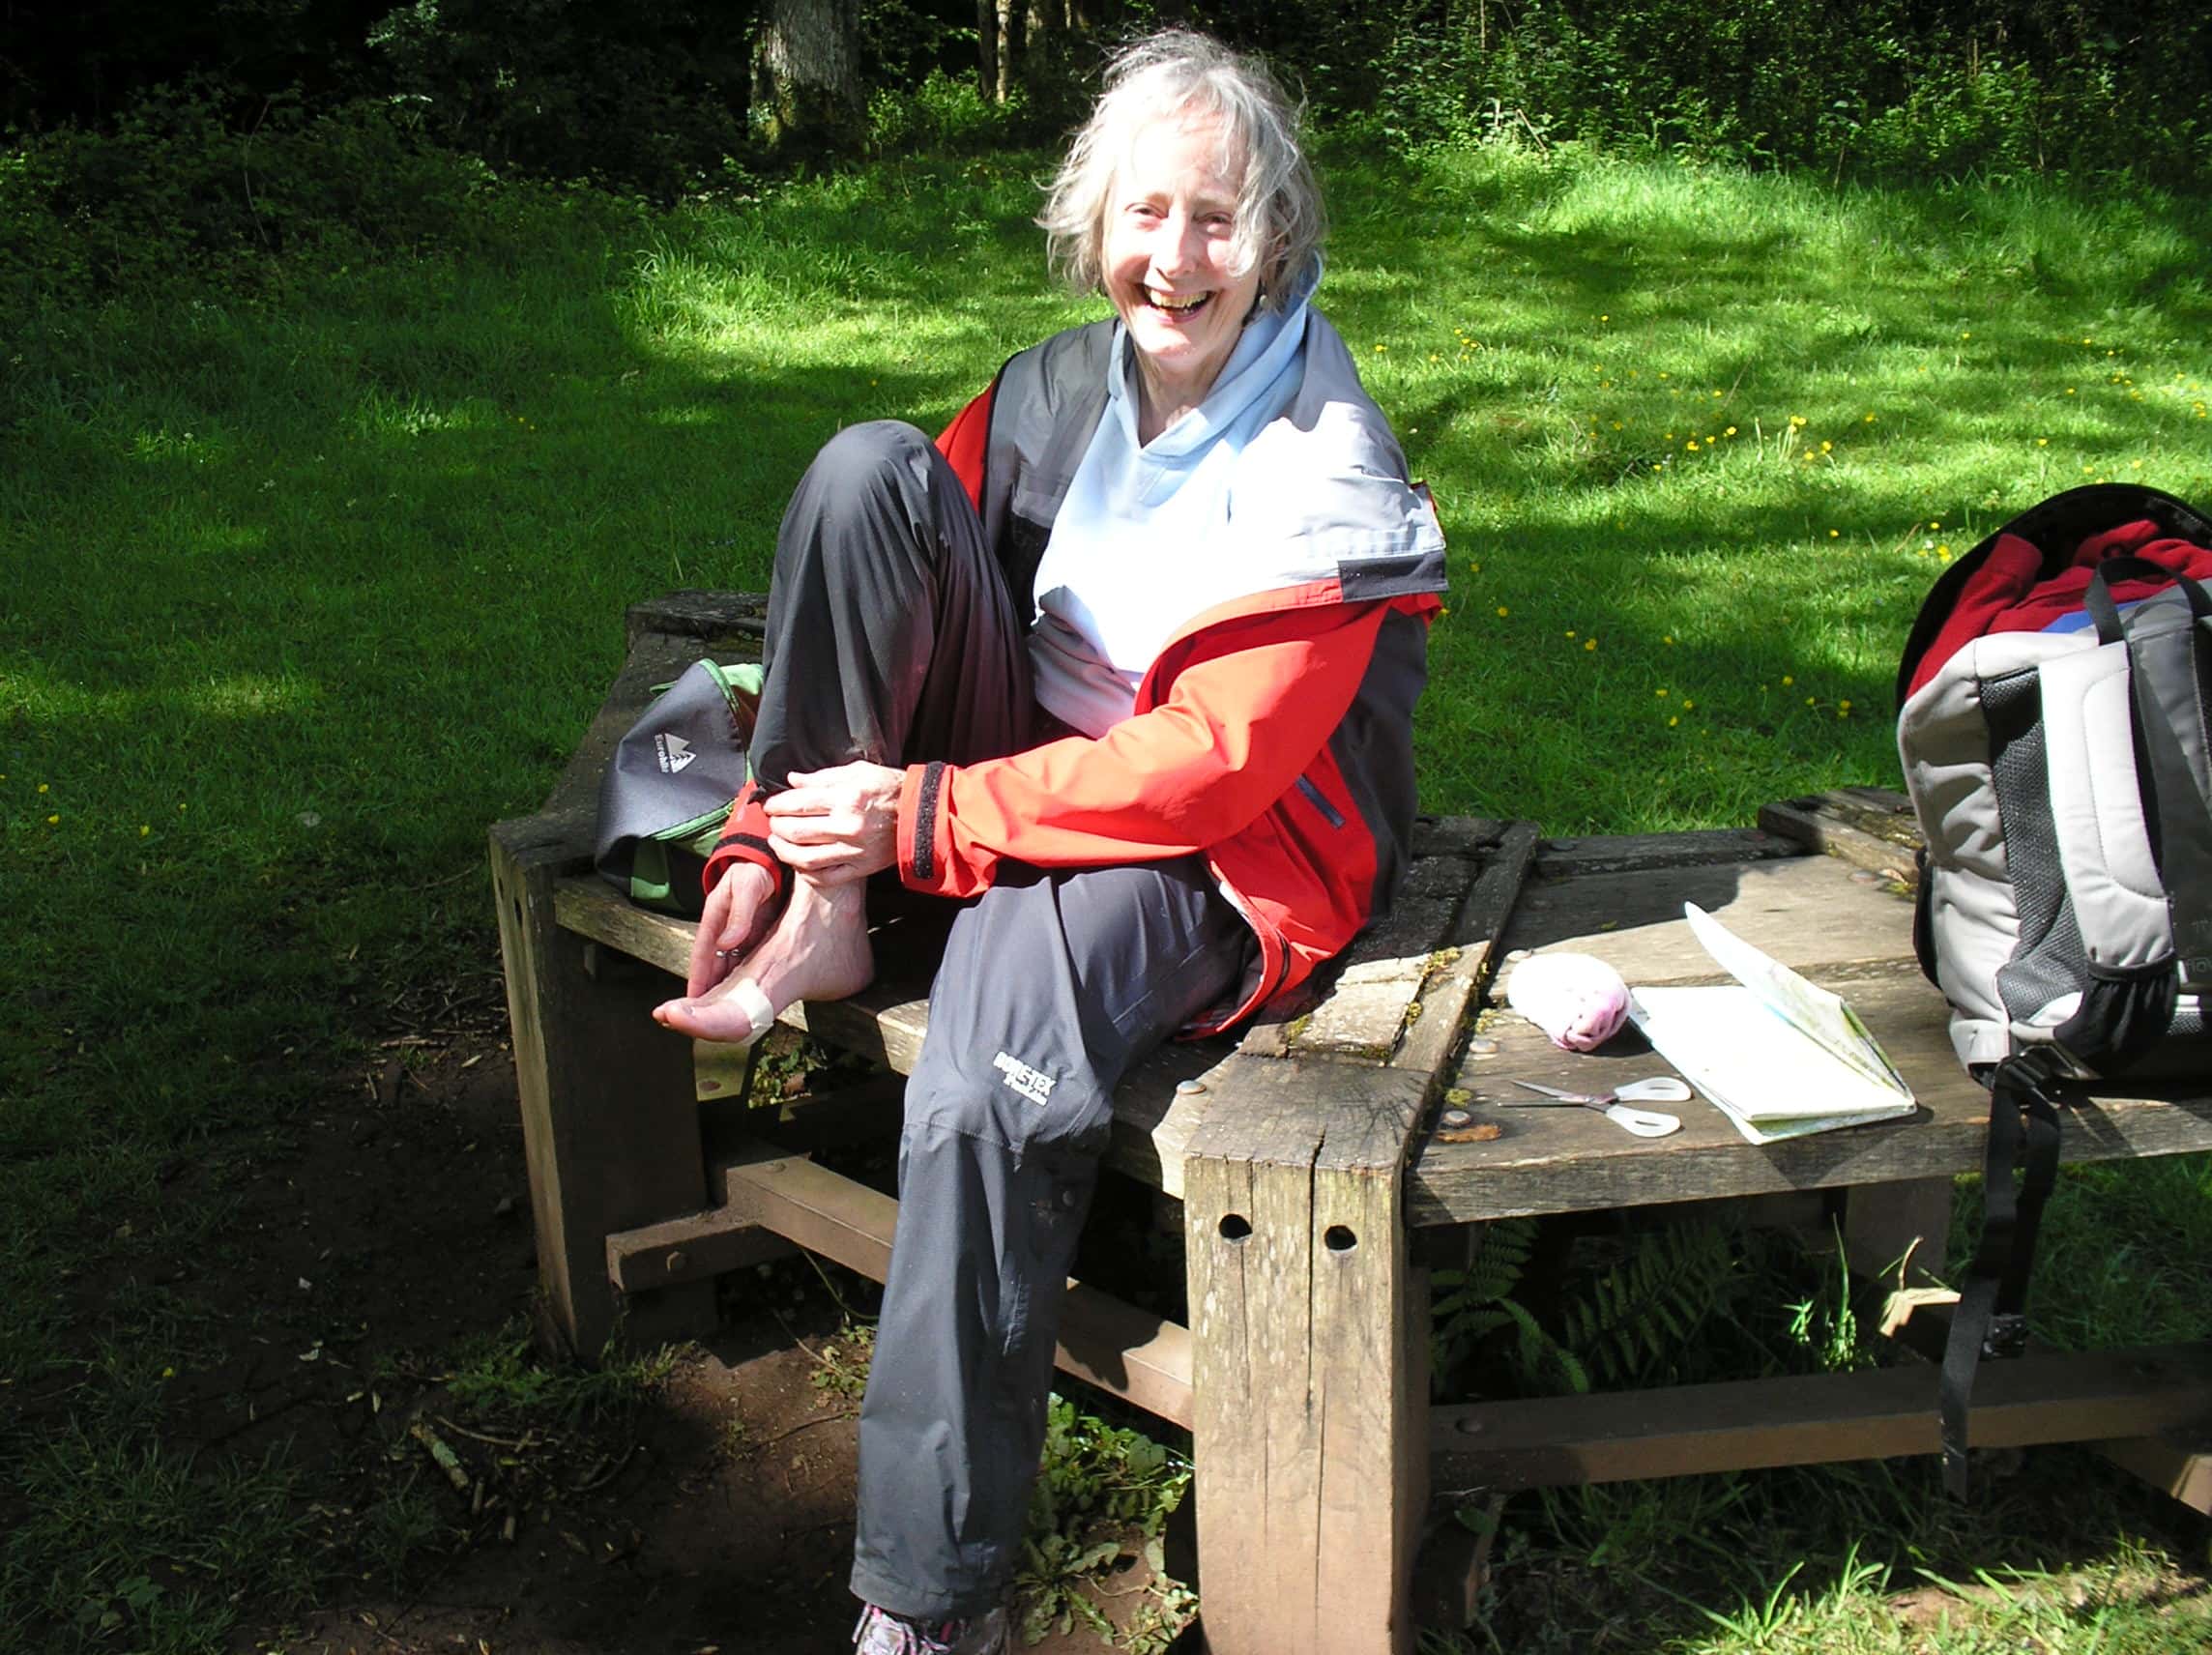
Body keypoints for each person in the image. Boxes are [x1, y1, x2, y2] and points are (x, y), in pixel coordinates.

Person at [652, 29, 1445, 1655]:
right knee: (865, 472)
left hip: (1206, 859)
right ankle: (817, 907)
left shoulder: (1325, 466)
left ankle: (929, 1607)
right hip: (1011, 780)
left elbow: (1213, 771)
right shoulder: (1054, 391)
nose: (1175, 257)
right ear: (1095, 228)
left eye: (1217, 218)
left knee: (982, 1078)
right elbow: (881, 584)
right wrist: (767, 838)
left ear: (1276, 236)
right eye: (1143, 214)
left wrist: (935, 817)